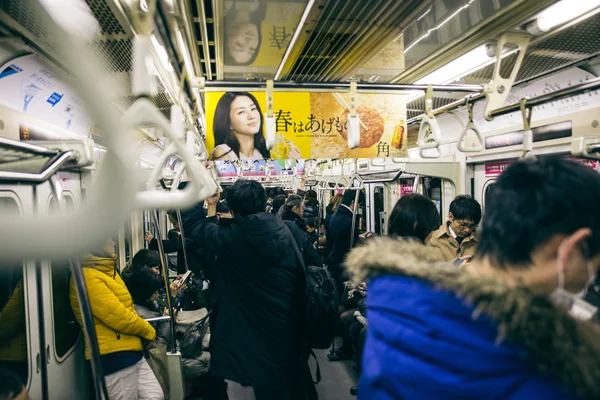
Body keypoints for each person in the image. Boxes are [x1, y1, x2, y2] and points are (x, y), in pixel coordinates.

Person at [346, 158, 600, 399]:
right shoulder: (549, 377)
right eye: (593, 266)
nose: (588, 279)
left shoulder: (397, 304)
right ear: (569, 250)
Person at [182, 180, 313, 399]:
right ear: (264, 204)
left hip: (253, 335)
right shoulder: (289, 230)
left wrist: (196, 186)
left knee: (268, 388)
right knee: (291, 385)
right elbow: (312, 263)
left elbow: (192, 224)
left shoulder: (230, 238)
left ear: (232, 210)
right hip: (290, 326)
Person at [69, 238, 162, 400]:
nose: (113, 242)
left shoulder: (109, 272)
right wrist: (148, 331)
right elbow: (118, 316)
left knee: (155, 395)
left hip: (131, 349)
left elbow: (129, 308)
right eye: (107, 238)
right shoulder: (88, 277)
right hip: (113, 356)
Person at [211, 92, 301, 161]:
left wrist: (294, 164)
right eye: (241, 112)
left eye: (253, 109)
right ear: (228, 123)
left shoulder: (261, 153)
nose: (251, 116)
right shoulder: (223, 152)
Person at [326, 190, 367, 295]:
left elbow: (341, 237)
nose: (358, 207)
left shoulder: (336, 215)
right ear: (353, 202)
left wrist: (357, 236)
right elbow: (350, 245)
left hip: (334, 260)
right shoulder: (349, 219)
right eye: (359, 204)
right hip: (342, 264)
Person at [427, 194, 481, 262]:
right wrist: (456, 264)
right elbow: (429, 269)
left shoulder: (479, 242)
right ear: (451, 217)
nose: (468, 230)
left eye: (472, 226)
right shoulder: (432, 240)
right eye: (463, 225)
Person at [223, 0, 266, 65]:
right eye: (251, 48)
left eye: (239, 44)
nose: (249, 41)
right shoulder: (277, 12)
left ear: (227, 34)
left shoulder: (221, 5)